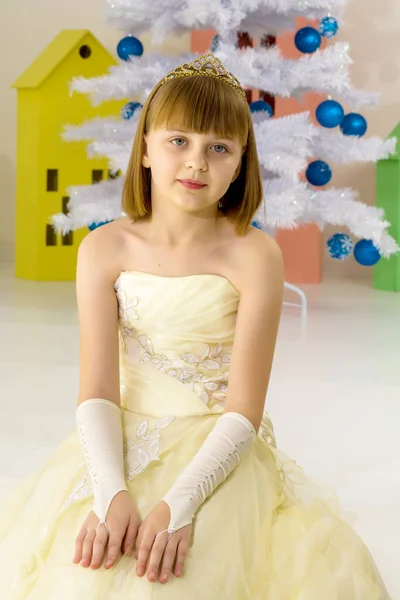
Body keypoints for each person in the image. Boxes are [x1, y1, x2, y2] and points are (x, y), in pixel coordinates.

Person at [0, 53, 391, 599]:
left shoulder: (254, 256)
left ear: (240, 164)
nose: (197, 164)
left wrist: (179, 504)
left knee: (183, 572)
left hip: (217, 447)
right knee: (86, 563)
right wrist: (110, 492)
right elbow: (96, 390)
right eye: (178, 141)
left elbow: (244, 409)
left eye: (219, 149)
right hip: (121, 442)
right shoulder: (103, 249)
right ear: (145, 150)